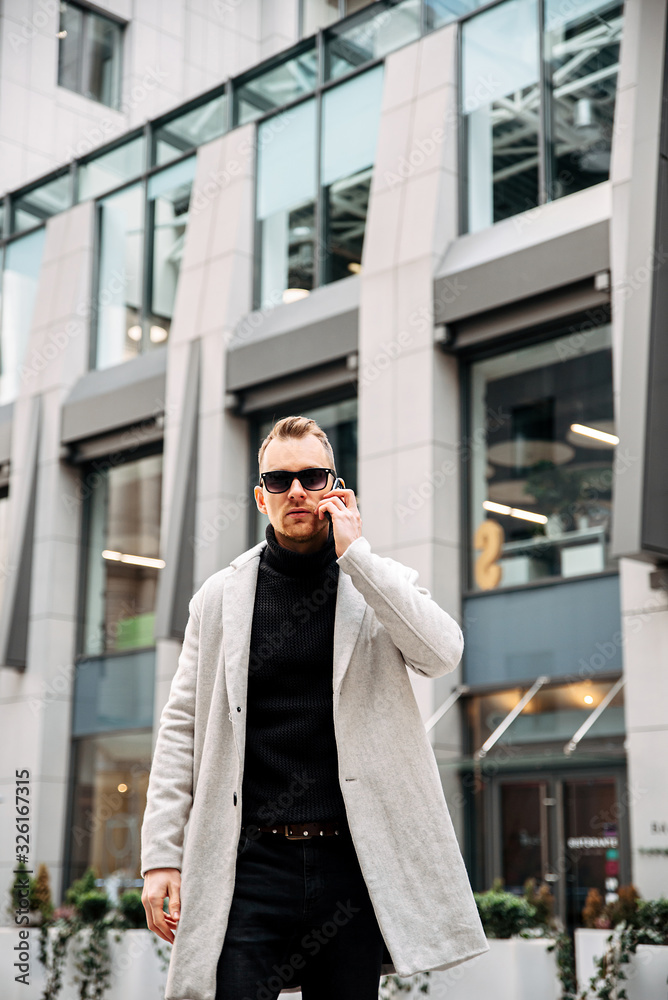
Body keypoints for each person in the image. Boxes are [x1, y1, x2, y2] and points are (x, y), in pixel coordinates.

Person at [141, 415, 487, 1000]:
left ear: (336, 487)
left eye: (311, 476)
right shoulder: (220, 599)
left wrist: (359, 556)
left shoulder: (376, 583)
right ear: (261, 496)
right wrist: (159, 858)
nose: (296, 491)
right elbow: (181, 729)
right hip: (249, 865)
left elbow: (443, 653)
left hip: (350, 865)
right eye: (279, 481)